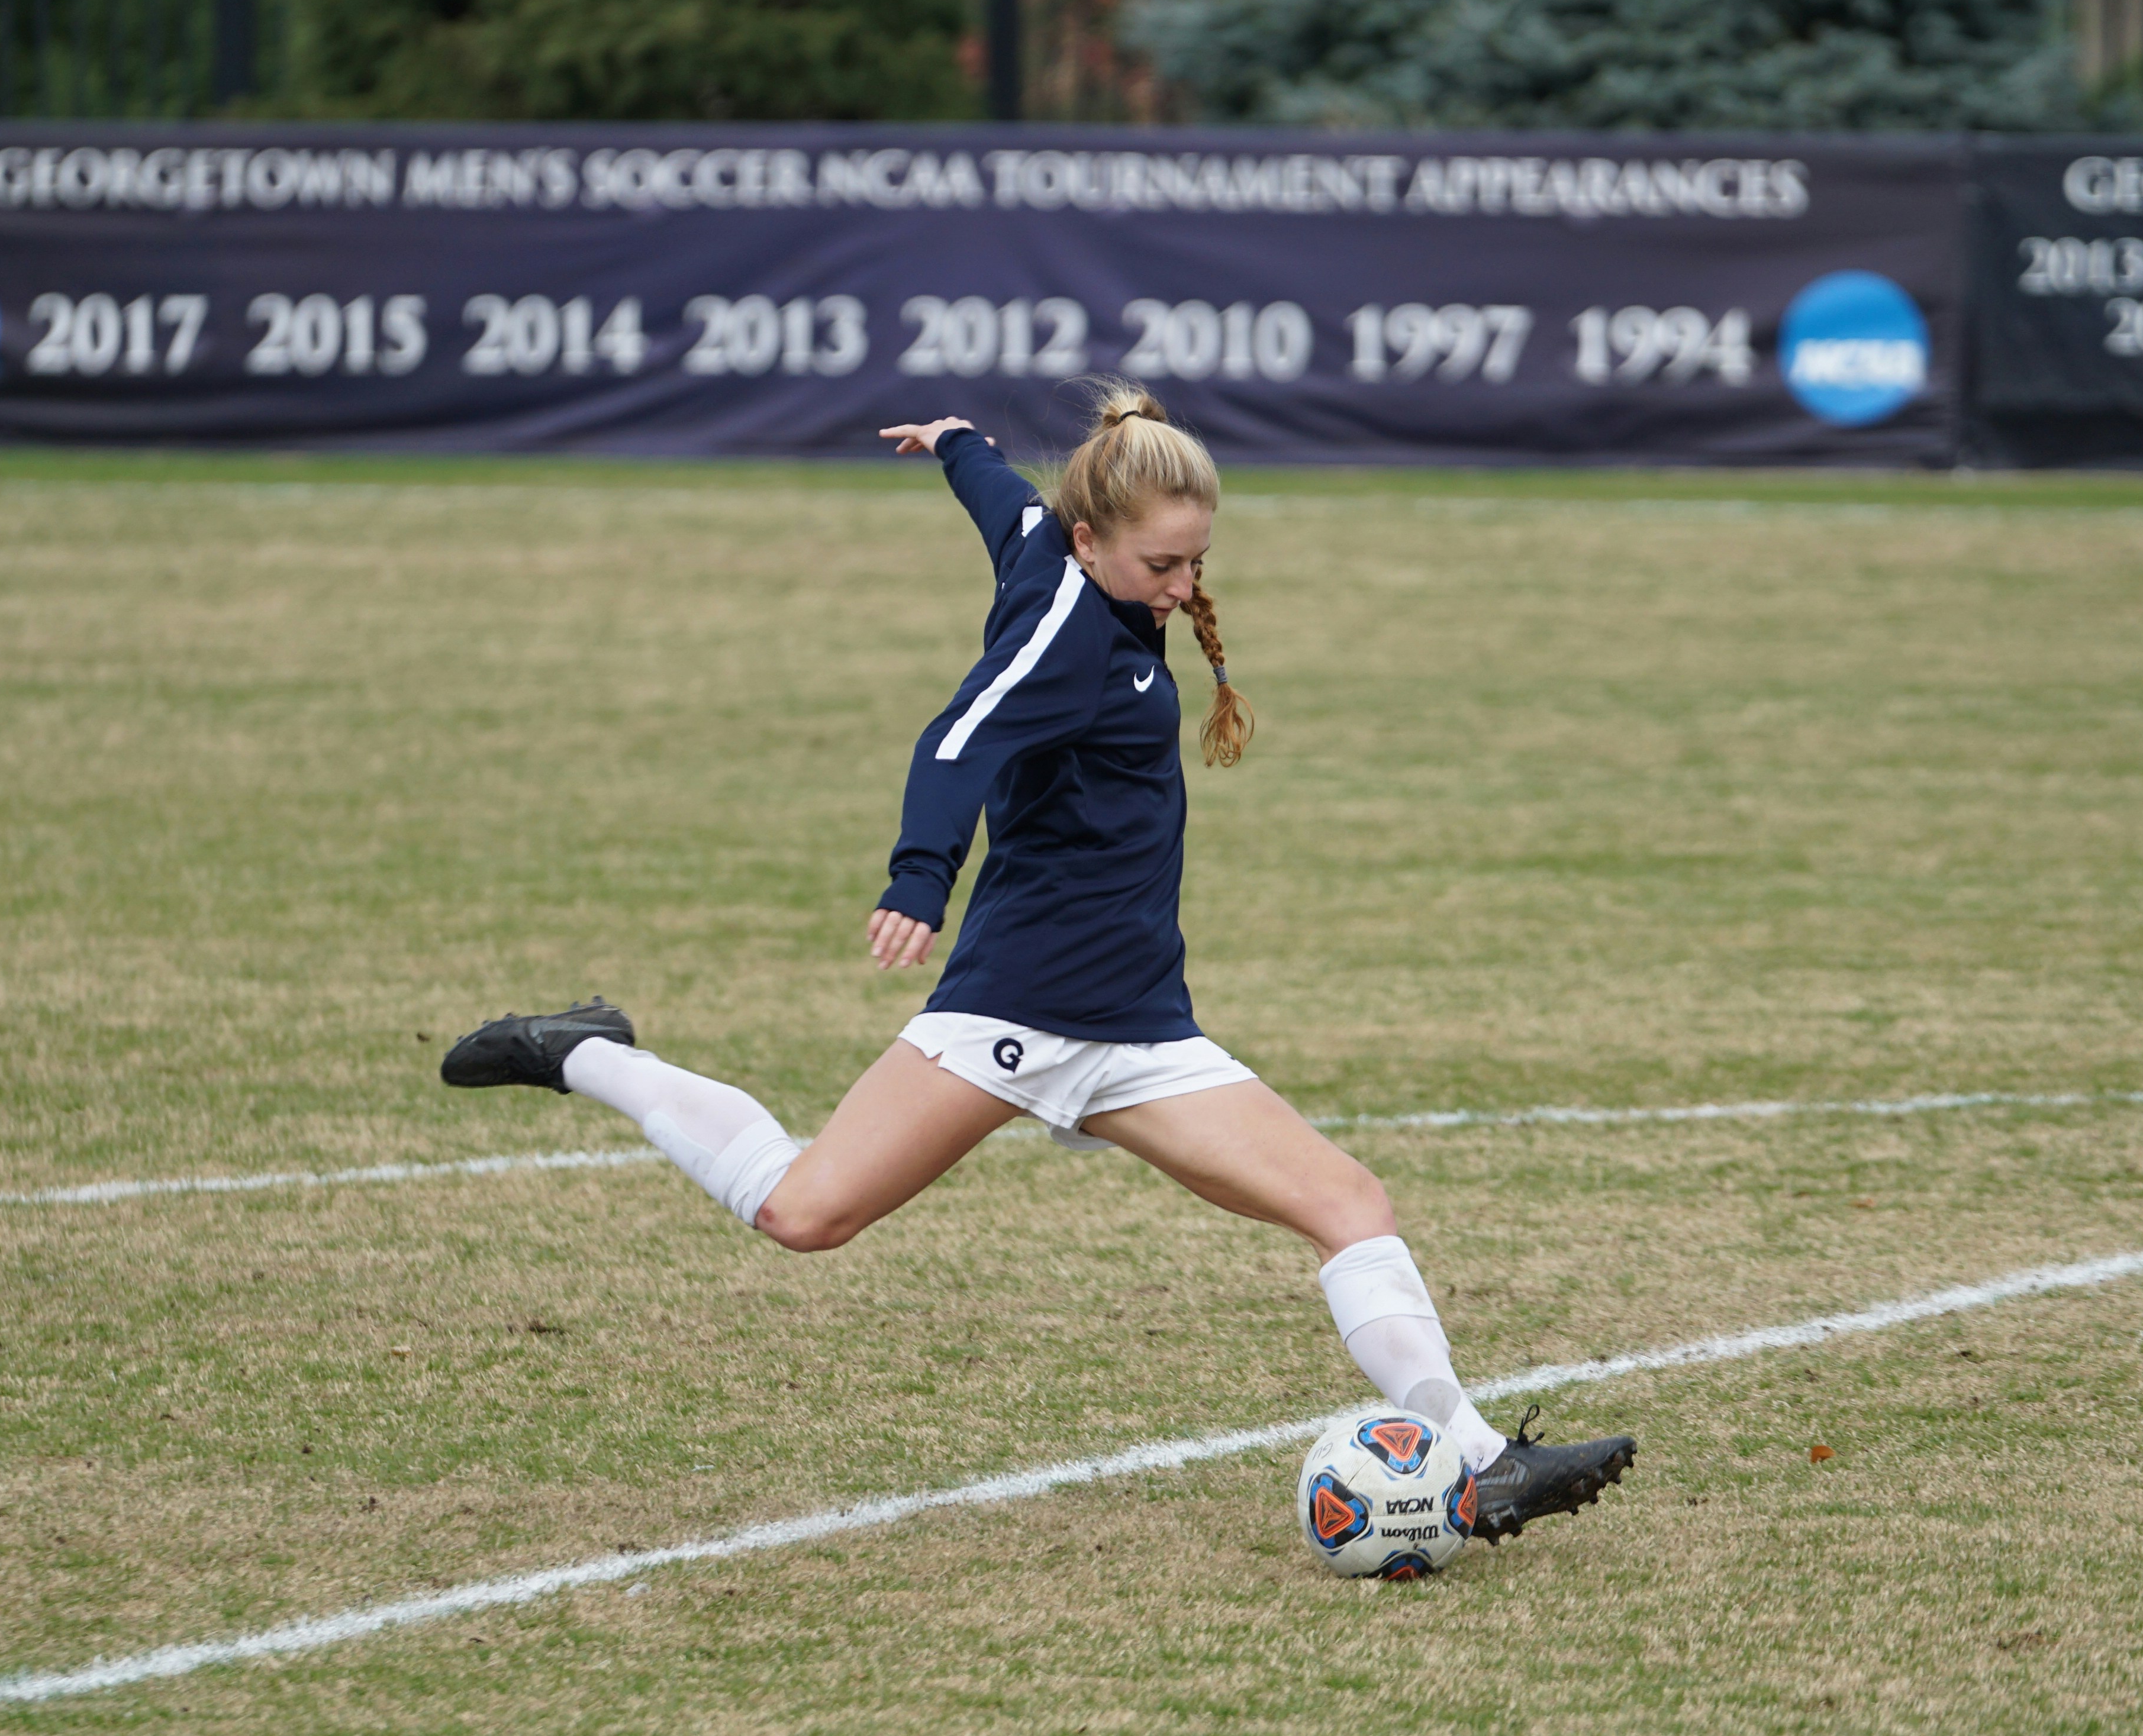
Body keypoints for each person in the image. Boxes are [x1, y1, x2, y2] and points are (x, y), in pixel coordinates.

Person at [441, 385, 1635, 1545]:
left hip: (1141, 1031)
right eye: (1161, 566)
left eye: (1196, 564)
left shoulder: (1057, 553)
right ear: (1091, 541)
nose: (1182, 589)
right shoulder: (1066, 629)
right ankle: (585, 1047)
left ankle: (1480, 1464)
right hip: (1013, 1010)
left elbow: (1003, 503)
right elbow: (958, 735)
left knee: (1349, 1203)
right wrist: (919, 876)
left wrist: (959, 439)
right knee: (803, 1211)